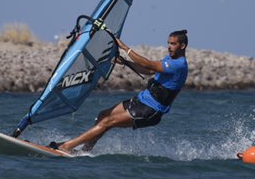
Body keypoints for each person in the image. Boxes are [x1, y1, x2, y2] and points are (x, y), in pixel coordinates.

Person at [52, 29, 189, 153]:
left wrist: (125, 48)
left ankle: (67, 146)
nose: (169, 47)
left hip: (150, 110)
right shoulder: (170, 59)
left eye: (173, 44)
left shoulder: (179, 65)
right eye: (168, 43)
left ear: (182, 46)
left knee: (107, 122)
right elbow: (149, 71)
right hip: (141, 100)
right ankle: (86, 150)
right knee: (103, 115)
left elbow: (147, 64)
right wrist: (125, 62)